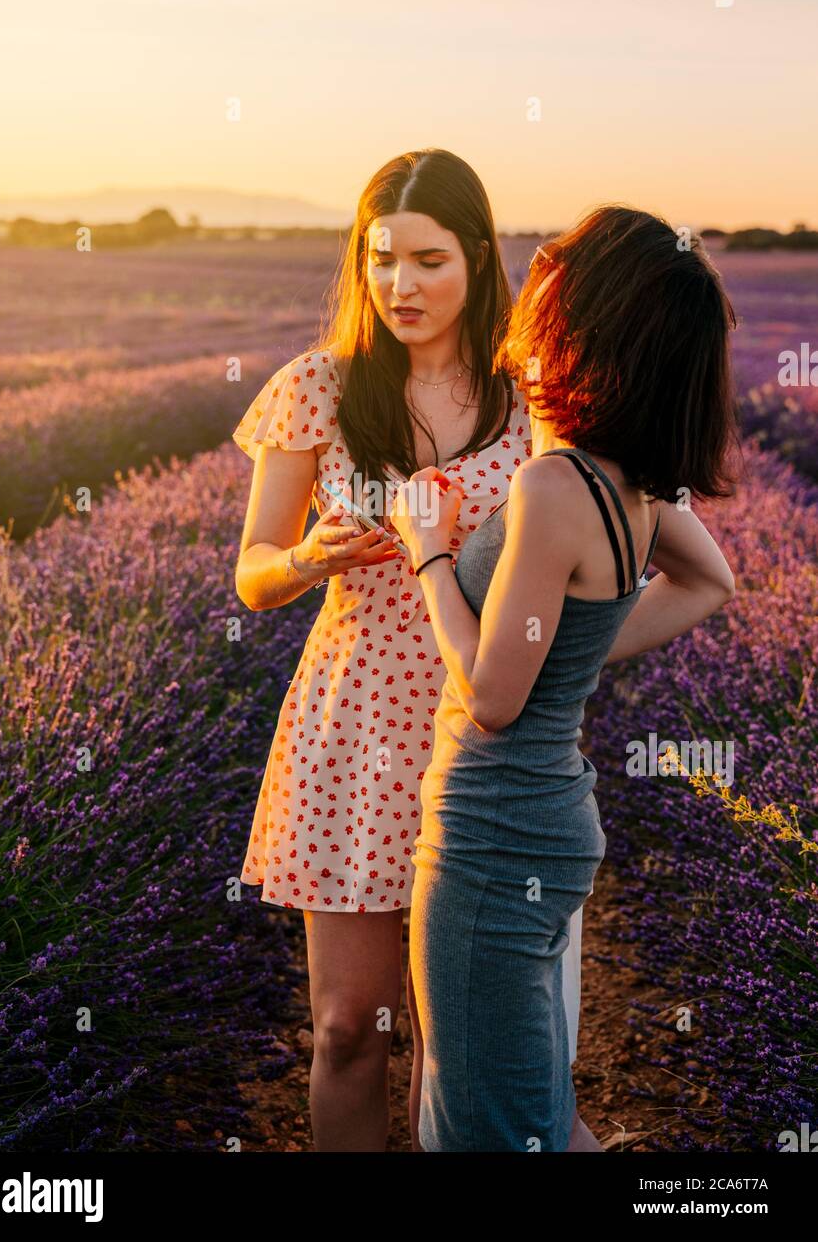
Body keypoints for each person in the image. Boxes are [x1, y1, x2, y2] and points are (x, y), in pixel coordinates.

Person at [232, 148, 589, 1151]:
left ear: (478, 257)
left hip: (482, 732)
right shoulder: (315, 387)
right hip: (350, 729)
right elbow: (250, 573)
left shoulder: (531, 402)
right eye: (380, 259)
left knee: (454, 1043)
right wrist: (305, 556)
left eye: (427, 260)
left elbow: (603, 549)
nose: (400, 286)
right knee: (348, 1029)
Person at [389, 204, 740, 1151]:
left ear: (585, 318)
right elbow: (713, 580)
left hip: (492, 836)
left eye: (557, 265)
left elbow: (492, 699)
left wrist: (426, 553)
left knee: (485, 1126)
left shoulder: (553, 489)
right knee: (531, 1110)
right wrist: (557, 653)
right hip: (545, 825)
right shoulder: (626, 484)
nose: (533, 270)